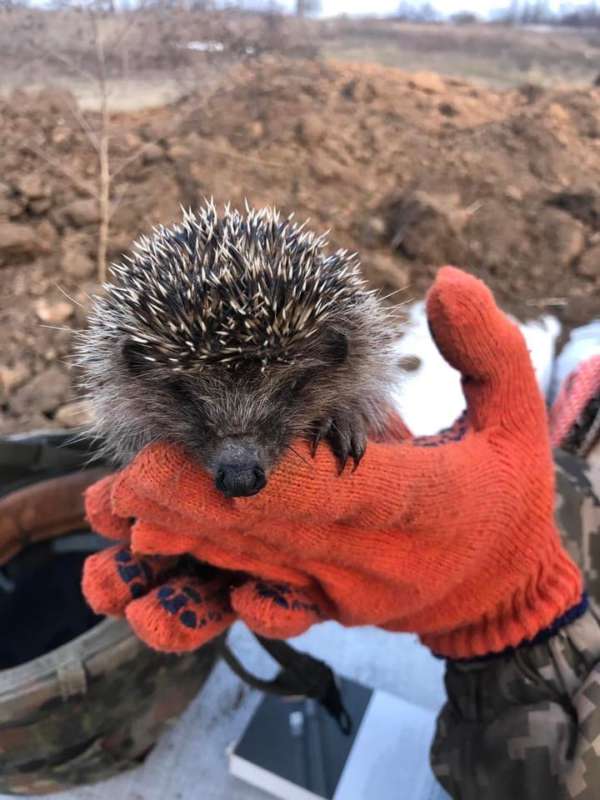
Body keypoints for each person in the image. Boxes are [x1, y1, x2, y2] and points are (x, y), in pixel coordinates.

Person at [82, 267, 600, 800]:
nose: (239, 464)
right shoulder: (140, 383)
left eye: (281, 398)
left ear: (335, 356)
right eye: (194, 404)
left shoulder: (344, 361)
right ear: (138, 370)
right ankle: (580, 469)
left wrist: (514, 601)